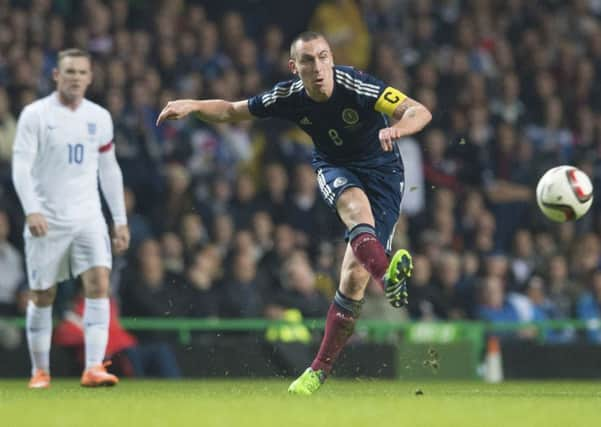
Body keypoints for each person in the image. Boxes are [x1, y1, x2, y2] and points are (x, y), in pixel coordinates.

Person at [156, 31, 432, 395]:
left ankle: (320, 366)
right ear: (294, 67)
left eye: (322, 57)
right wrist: (192, 104)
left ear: (331, 59)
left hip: (383, 173)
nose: (317, 67)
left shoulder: (359, 85)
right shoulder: (288, 96)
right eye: (307, 60)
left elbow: (419, 111)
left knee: (351, 277)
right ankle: (386, 274)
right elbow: (231, 110)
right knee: (353, 208)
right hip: (334, 166)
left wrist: (398, 128)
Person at [11, 48, 130, 389]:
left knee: (98, 285)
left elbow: (109, 170)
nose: (76, 77)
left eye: (82, 72)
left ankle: (94, 367)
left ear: (90, 78)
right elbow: (20, 165)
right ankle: (39, 371)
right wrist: (31, 208)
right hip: (46, 218)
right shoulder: (36, 115)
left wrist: (118, 219)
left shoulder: (100, 117)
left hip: (88, 216)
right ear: (56, 76)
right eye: (69, 71)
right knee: (42, 294)